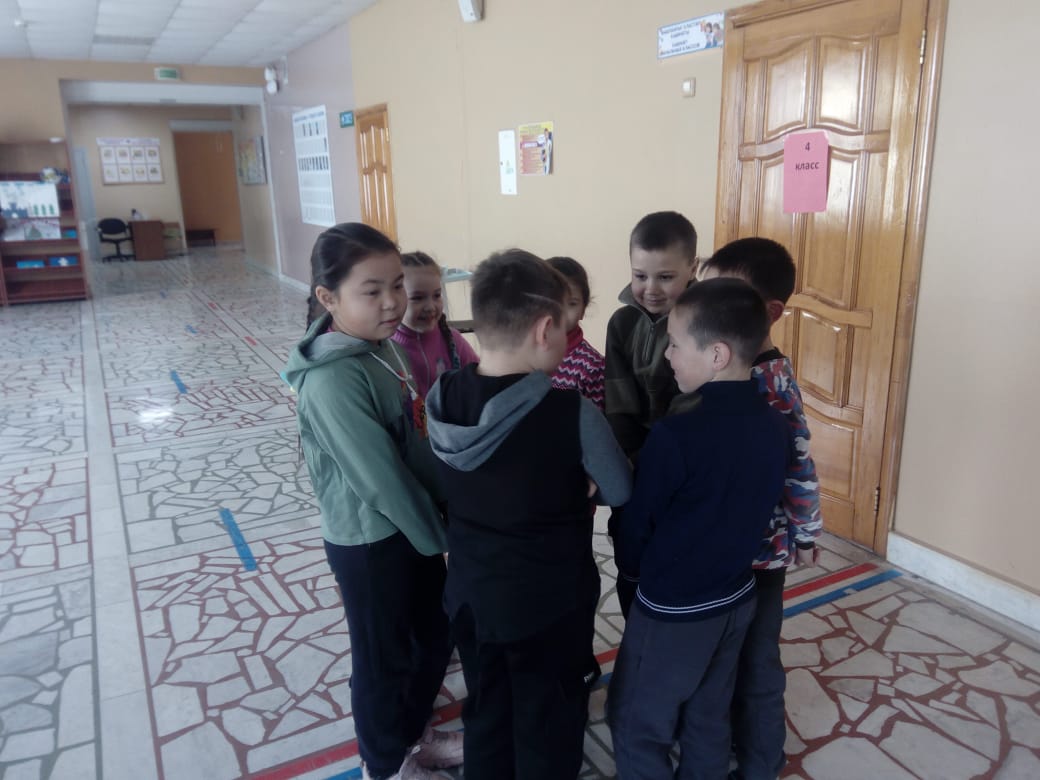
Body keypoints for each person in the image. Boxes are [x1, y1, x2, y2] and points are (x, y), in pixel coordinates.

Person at [425, 250, 632, 780]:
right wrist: (579, 484)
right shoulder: (571, 413)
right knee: (551, 716)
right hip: (548, 605)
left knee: (487, 705)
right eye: (563, 327)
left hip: (471, 594)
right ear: (544, 329)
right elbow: (620, 489)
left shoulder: (442, 396)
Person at [284, 223, 463, 780]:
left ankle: (412, 733)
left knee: (432, 635)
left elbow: (415, 442)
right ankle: (385, 764)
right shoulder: (331, 381)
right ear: (328, 298)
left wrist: (449, 505)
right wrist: (442, 539)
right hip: (369, 542)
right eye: (372, 290)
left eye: (397, 285)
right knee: (384, 657)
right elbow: (380, 481)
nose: (393, 302)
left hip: (409, 529)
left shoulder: (381, 350)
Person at [608, 278, 790, 779]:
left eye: (674, 344)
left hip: (674, 609)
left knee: (636, 719)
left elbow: (639, 523)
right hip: (737, 597)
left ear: (717, 355)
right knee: (708, 715)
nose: (667, 356)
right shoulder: (775, 425)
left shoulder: (675, 436)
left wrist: (631, 574)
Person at [699, 237, 823, 780]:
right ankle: (729, 742)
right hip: (724, 548)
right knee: (725, 656)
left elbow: (799, 463)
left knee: (758, 660)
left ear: (769, 313)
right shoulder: (722, 364)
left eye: (725, 296)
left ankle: (761, 761)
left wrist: (806, 531)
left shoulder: (769, 380)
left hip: (761, 554)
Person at [605, 210, 698, 616]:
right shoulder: (622, 323)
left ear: (692, 268)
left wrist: (653, 465)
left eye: (666, 277)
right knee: (631, 554)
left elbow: (692, 406)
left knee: (676, 554)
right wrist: (628, 466)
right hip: (633, 465)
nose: (651, 289)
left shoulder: (702, 323)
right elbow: (618, 401)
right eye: (640, 275)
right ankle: (636, 631)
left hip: (682, 463)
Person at [392, 250, 480, 398]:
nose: (430, 306)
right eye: (418, 298)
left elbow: (479, 381)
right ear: (394, 298)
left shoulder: (452, 340)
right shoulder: (387, 348)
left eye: (437, 295)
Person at [546, 256, 605, 410]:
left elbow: (596, 420)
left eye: (572, 303)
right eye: (553, 301)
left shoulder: (592, 366)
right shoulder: (526, 353)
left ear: (583, 310)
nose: (561, 311)